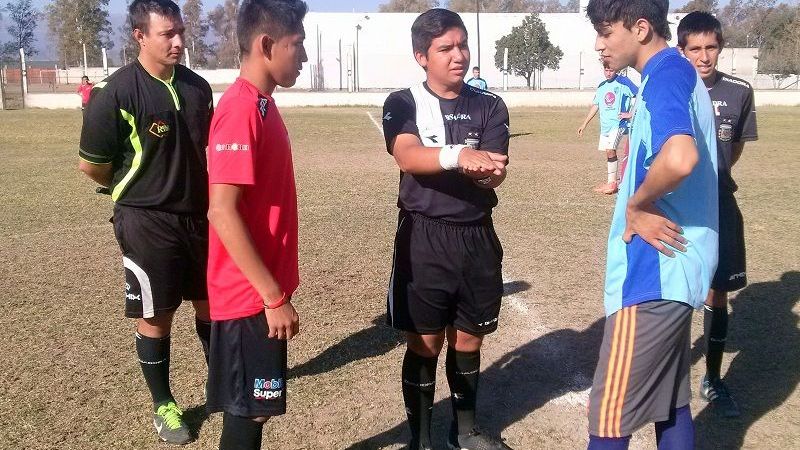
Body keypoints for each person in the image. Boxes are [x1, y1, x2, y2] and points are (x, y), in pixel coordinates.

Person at [77, 0, 214, 444]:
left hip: (200, 217)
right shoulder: (114, 92)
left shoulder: (198, 88)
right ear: (139, 36)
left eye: (180, 32)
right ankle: (164, 405)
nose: (178, 42)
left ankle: (219, 382)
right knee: (157, 315)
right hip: (146, 220)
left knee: (210, 305)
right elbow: (92, 165)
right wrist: (132, 188)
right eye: (166, 34)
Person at [584, 1, 719, 449]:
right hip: (676, 269)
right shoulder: (670, 74)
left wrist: (637, 204)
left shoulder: (665, 73)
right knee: (671, 404)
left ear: (640, 28)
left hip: (654, 274)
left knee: (609, 416)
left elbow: (679, 158)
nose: (599, 45)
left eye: (606, 32)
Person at [382, 8, 512, 450]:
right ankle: (420, 441)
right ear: (422, 56)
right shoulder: (403, 102)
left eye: (463, 45)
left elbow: (495, 172)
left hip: (477, 235)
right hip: (424, 236)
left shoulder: (489, 105)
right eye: (445, 48)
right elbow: (408, 155)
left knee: (470, 337)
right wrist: (460, 156)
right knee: (425, 342)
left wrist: (489, 175)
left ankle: (466, 433)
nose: (459, 55)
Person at [204, 0, 306, 449]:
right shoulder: (241, 108)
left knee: (256, 409)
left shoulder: (263, 105)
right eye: (297, 45)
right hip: (249, 297)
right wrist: (272, 296)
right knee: (249, 410)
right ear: (266, 45)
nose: (304, 57)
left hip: (260, 293)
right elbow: (222, 211)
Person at [677, 11, 758, 419]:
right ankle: (669, 378)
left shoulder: (740, 92)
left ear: (720, 47)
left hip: (721, 204)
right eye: (695, 49)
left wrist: (717, 179)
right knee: (674, 291)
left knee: (717, 291)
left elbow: (734, 147)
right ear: (682, 50)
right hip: (679, 206)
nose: (704, 56)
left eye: (710, 47)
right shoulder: (672, 88)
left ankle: (712, 378)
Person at [577, 67, 638, 194]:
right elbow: (596, 105)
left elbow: (639, 95)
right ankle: (611, 182)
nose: (608, 73)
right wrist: (584, 124)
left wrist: (630, 114)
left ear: (616, 70)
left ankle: (613, 184)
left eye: (611, 70)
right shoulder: (602, 86)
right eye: (606, 70)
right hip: (605, 126)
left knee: (611, 149)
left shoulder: (623, 82)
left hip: (618, 124)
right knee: (608, 152)